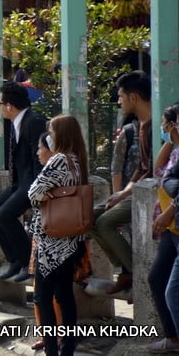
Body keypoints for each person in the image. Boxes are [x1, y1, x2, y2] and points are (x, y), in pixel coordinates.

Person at [27, 115, 90, 355]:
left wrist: (47, 195)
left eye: (51, 131)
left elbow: (34, 192)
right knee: (65, 295)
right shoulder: (76, 160)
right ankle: (67, 350)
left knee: (43, 296)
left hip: (51, 241)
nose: (49, 136)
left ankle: (52, 349)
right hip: (70, 238)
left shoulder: (59, 160)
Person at [93, 70, 151, 294]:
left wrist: (123, 195)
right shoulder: (137, 126)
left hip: (149, 194)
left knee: (105, 222)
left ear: (133, 97)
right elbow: (140, 169)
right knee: (90, 217)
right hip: (133, 191)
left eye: (121, 96)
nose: (118, 101)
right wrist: (120, 194)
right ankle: (125, 269)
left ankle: (132, 273)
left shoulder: (156, 126)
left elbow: (152, 171)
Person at [0, 81, 47, 283]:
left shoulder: (33, 121)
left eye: (0, 103)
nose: (0, 108)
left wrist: (38, 190)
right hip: (19, 182)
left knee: (5, 214)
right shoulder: (16, 122)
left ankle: (29, 262)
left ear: (9, 105)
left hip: (33, 183)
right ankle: (15, 260)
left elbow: (40, 159)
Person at [145, 103, 179, 353]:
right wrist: (171, 139)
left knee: (172, 292)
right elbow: (158, 169)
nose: (162, 128)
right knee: (157, 278)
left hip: (173, 220)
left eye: (165, 123)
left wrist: (169, 212)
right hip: (172, 227)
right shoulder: (175, 151)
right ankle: (173, 338)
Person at [110, 114, 139, 194]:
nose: (119, 101)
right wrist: (117, 196)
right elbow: (117, 168)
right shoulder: (129, 131)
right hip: (127, 195)